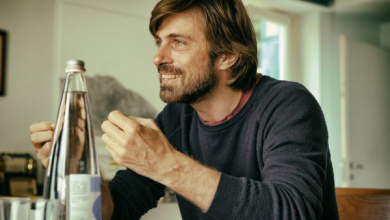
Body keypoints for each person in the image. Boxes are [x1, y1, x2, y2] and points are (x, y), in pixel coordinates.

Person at [29, 0, 340, 219]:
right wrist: (74, 172)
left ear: (227, 55)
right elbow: (119, 206)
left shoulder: (289, 105)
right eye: (159, 42)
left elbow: (294, 212)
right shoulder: (178, 116)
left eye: (177, 43)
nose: (158, 57)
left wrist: (166, 163)